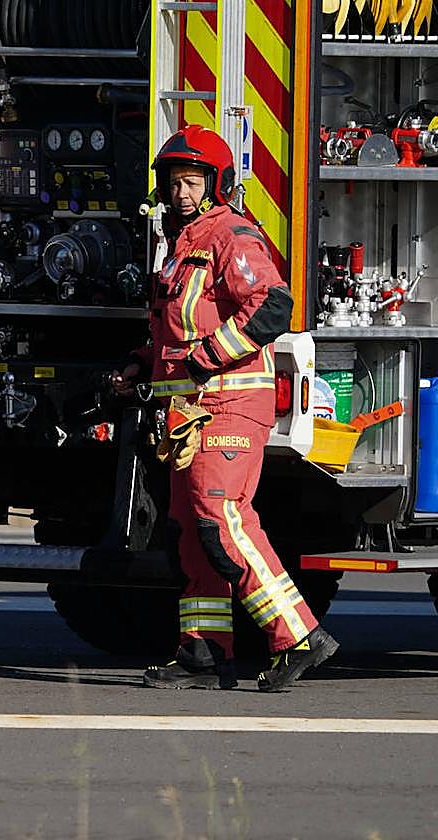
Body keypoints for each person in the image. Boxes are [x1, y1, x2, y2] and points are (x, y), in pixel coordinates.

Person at [112, 125, 339, 692]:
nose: (180, 192)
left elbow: (270, 309)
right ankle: (205, 653)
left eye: (191, 182)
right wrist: (143, 363)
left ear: (216, 183)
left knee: (221, 517)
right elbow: (180, 327)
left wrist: (204, 360)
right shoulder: (182, 242)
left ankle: (300, 636)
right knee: (189, 530)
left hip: (232, 401)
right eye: (172, 182)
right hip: (188, 410)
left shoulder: (231, 233)